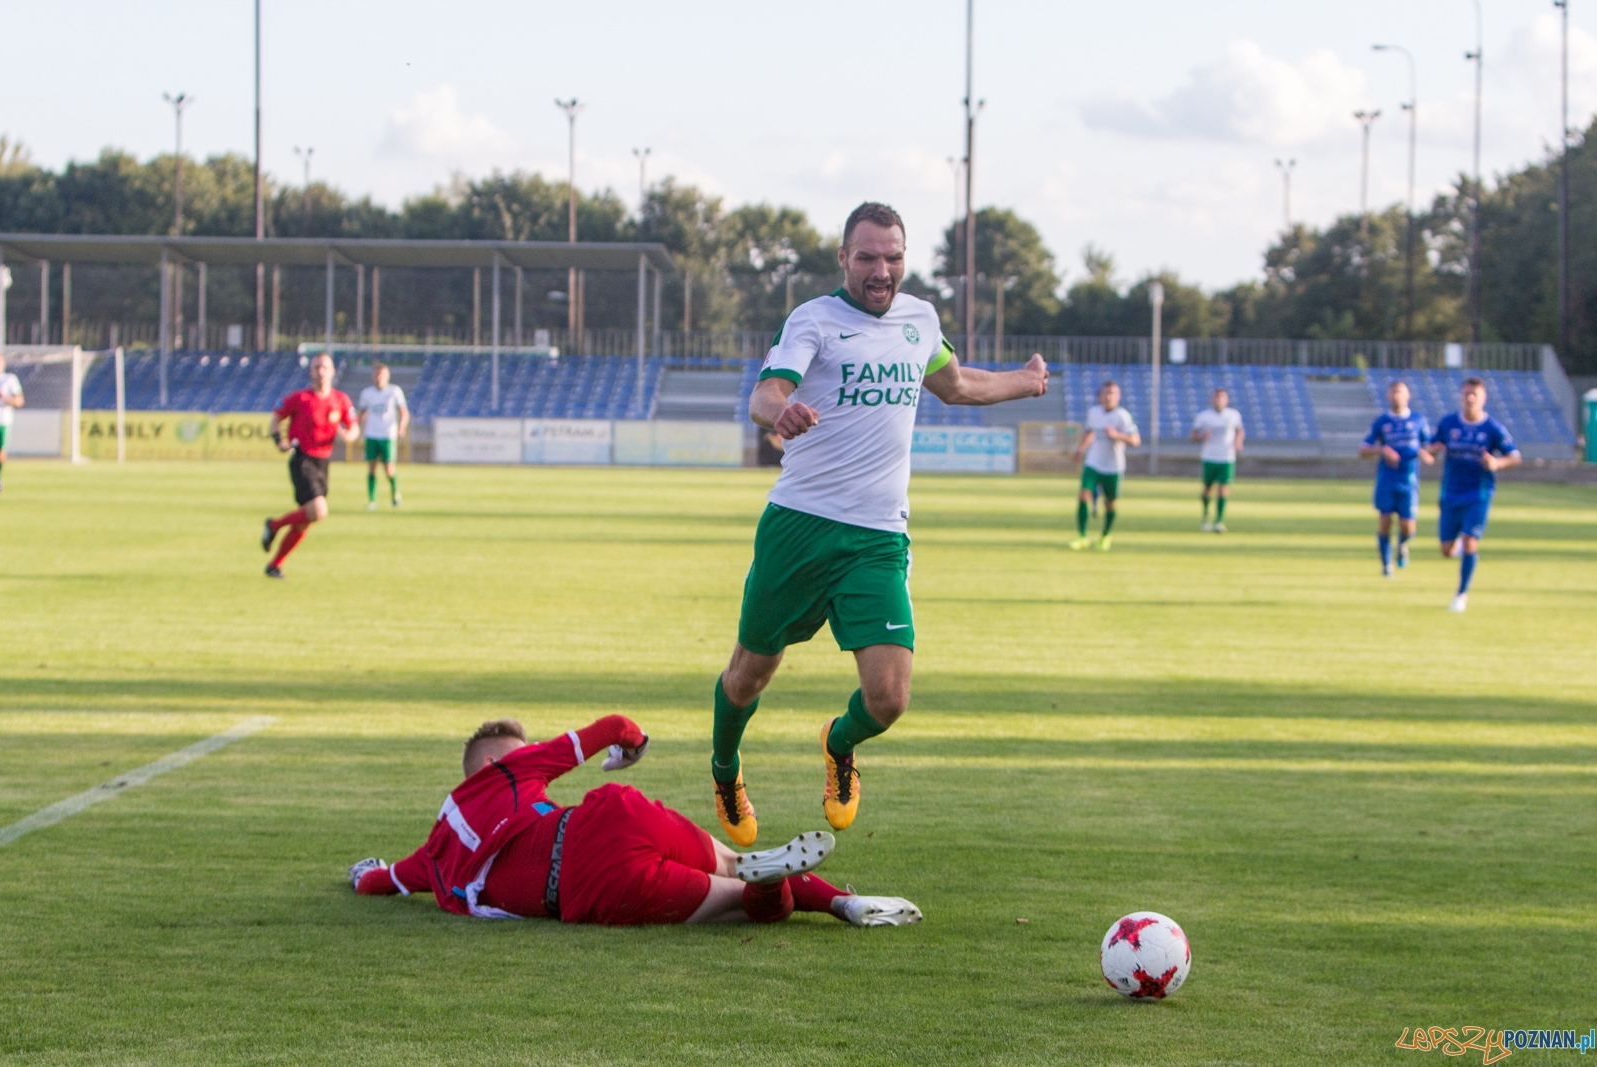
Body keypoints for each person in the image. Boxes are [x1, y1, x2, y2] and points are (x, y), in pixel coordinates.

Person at [709, 201, 1049, 847]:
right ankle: (725, 769)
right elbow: (766, 392)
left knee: (889, 699)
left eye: (892, 257)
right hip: (800, 527)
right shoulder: (814, 319)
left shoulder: (920, 320)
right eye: (867, 256)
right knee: (749, 675)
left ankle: (839, 743)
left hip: (877, 537)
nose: (881, 270)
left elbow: (958, 385)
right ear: (844, 258)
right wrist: (780, 413)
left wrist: (1025, 382)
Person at [348, 715, 922, 928]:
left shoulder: (432, 854)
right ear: (494, 764)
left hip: (586, 883)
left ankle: (772, 884)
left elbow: (379, 882)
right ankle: (843, 902)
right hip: (611, 814)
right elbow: (616, 726)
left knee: (736, 900)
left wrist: (362, 871)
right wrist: (632, 749)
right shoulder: (511, 773)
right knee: (734, 861)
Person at [1424, 376, 1521, 612]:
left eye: (1474, 394)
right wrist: (1430, 452)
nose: (1469, 398)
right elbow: (1429, 450)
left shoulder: (1492, 428)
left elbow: (1515, 456)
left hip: (1478, 494)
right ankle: (1457, 545)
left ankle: (1461, 594)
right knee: (1446, 550)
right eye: (1466, 394)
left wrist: (1496, 463)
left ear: (1483, 398)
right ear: (1461, 396)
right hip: (1450, 494)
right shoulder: (1448, 423)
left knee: (1470, 540)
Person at [259, 352, 359, 579]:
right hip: (302, 459)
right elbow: (276, 418)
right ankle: (274, 525)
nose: (321, 371)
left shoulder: (341, 400)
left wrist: (349, 435)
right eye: (317, 367)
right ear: (310, 372)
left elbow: (353, 427)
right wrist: (279, 441)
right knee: (319, 510)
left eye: (325, 367)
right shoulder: (300, 398)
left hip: (323, 462)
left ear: (332, 371)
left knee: (306, 521)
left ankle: (274, 565)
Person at [1358, 380, 1433, 577]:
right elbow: (1363, 449)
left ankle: (1402, 544)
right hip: (1387, 479)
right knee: (1385, 521)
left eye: (1400, 392)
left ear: (1408, 395)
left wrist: (1426, 453)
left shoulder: (1418, 420)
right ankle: (1386, 565)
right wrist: (1382, 450)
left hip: (1409, 481)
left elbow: (1430, 446)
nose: (1397, 395)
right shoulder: (1382, 422)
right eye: (1393, 392)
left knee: (1408, 526)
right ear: (1388, 396)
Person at [1069, 380, 1140, 552]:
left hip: (1113, 466)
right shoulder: (1094, 412)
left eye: (1112, 393)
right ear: (1100, 396)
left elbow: (1135, 441)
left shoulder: (1123, 416)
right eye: (1106, 393)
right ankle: (1082, 536)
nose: (1108, 397)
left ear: (1118, 396)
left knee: (1110, 504)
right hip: (1093, 462)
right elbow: (1090, 432)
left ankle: (1105, 537)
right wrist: (1081, 449)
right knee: (1083, 495)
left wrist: (1116, 435)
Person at [1191, 388, 1244, 533]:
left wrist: (1238, 441)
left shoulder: (1233, 415)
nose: (1219, 400)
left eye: (1221, 397)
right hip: (1209, 457)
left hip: (1226, 457)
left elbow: (1240, 430)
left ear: (1226, 400)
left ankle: (1219, 521)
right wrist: (1202, 436)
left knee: (1223, 488)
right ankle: (1205, 515)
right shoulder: (1204, 416)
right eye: (1216, 397)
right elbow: (1193, 436)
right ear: (1212, 399)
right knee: (1208, 488)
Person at [357, 361, 408, 510]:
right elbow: (361, 414)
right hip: (371, 434)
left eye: (382, 375)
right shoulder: (367, 393)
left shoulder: (394, 391)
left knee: (388, 469)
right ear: (373, 376)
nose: (379, 378)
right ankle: (372, 500)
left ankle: (395, 494)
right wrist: (358, 429)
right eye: (377, 374)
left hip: (388, 435)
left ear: (387, 376)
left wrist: (401, 427)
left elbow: (404, 412)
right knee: (371, 468)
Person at [0, 354, 25, 493]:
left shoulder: (9, 379)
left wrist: (4, 398)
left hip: (3, 421)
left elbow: (19, 401)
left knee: (0, 454)